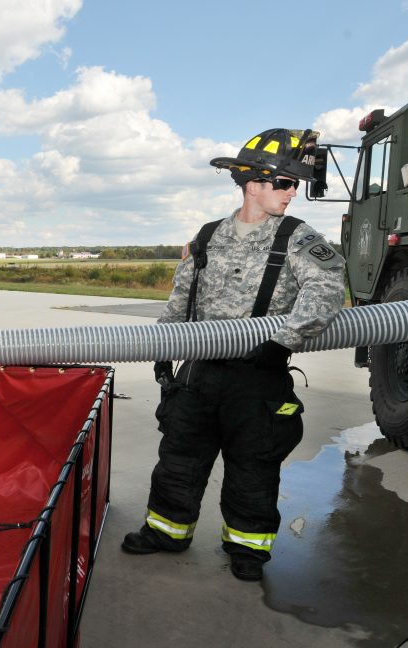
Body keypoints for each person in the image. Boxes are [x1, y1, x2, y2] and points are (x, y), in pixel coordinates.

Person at [121, 129, 346, 582]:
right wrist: (165, 350)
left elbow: (326, 287)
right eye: (284, 182)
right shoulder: (208, 237)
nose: (292, 191)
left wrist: (283, 342)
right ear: (253, 184)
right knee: (179, 457)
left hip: (257, 375)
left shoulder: (297, 238)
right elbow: (181, 299)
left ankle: (247, 549)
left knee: (253, 467)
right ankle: (167, 532)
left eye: (295, 184)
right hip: (199, 373)